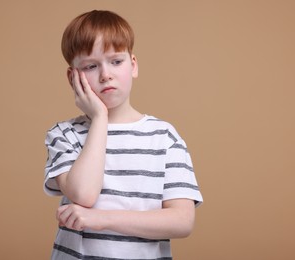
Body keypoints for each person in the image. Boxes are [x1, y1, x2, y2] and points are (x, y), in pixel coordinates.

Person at [44, 10, 203, 259]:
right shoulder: (64, 134)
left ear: (133, 65)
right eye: (90, 66)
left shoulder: (164, 137)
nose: (105, 74)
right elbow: (84, 194)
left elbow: (182, 221)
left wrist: (102, 219)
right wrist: (99, 118)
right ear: (72, 77)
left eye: (116, 62)